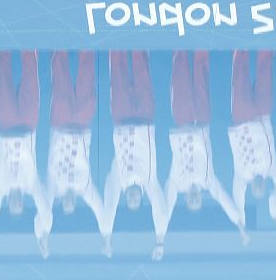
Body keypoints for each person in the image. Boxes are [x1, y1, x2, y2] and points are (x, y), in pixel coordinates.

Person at [166, 52, 246, 242]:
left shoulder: (176, 183)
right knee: (201, 75)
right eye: (198, 202)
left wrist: (160, 238)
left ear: (185, 200)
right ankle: (201, 44)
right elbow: (225, 201)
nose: (194, 199)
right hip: (202, 120)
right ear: (202, 199)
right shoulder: (209, 182)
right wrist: (240, 227)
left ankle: (180, 43)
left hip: (182, 120)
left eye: (191, 202)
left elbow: (166, 208)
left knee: (180, 73)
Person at [102, 51, 168, 261]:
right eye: (136, 201)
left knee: (118, 64)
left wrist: (107, 238)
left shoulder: (117, 179)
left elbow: (109, 205)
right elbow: (159, 208)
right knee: (141, 66)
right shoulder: (150, 182)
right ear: (142, 198)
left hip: (121, 117)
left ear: (124, 198)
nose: (132, 198)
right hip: (145, 117)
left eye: (128, 200)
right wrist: (159, 242)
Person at [0, 51, 52, 260]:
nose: (16, 204)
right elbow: (45, 211)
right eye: (20, 206)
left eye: (12, 207)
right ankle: (30, 48)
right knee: (30, 67)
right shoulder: (31, 186)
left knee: (3, 68)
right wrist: (43, 235)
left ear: (7, 203)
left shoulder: (0, 188)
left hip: (5, 123)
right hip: (27, 122)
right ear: (24, 203)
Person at [229, 50, 276, 238]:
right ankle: (265, 44)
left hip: (242, 118)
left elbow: (237, 199)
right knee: (265, 67)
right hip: (263, 114)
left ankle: (240, 45)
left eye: (255, 190)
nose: (258, 187)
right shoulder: (272, 169)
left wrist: (241, 228)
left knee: (240, 71)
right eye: (261, 189)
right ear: (265, 186)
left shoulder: (241, 175)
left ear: (251, 188)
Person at [46, 52, 106, 244]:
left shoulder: (54, 187)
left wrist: (44, 236)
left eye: (66, 204)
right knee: (87, 78)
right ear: (77, 202)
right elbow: (98, 207)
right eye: (72, 204)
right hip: (81, 125)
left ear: (61, 202)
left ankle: (59, 47)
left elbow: (44, 209)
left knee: (60, 78)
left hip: (61, 124)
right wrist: (106, 237)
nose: (69, 202)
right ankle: (86, 46)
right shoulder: (85, 188)